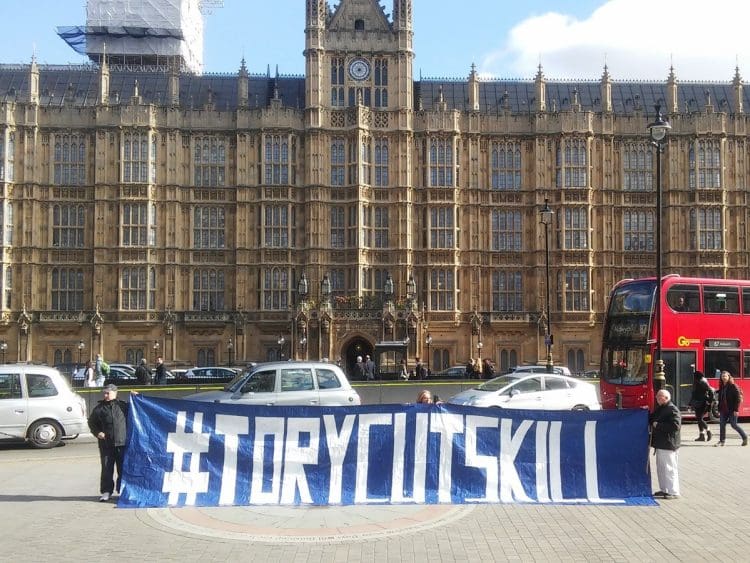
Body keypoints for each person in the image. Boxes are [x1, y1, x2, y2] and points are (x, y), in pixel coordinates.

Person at [87, 384, 129, 502]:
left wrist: (138, 397)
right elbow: (91, 423)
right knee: (106, 468)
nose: (105, 395)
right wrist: (97, 432)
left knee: (123, 469)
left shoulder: (123, 406)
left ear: (115, 393)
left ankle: (122, 491)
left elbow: (137, 410)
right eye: (104, 393)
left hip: (122, 443)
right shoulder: (99, 408)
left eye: (108, 393)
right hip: (106, 445)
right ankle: (106, 491)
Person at [649, 388, 681, 499]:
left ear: (666, 398)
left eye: (659, 396)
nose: (657, 398)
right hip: (661, 444)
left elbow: (675, 426)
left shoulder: (672, 409)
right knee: (661, 468)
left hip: (668, 444)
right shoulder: (661, 408)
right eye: (657, 396)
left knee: (670, 468)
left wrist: (658, 425)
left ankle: (673, 491)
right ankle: (664, 489)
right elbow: (651, 418)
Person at [715, 370, 747, 446]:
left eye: (725, 376)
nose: (724, 378)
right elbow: (721, 397)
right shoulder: (722, 386)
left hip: (732, 410)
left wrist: (736, 409)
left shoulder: (733, 386)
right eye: (722, 376)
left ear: (729, 377)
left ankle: (745, 437)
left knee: (734, 425)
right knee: (722, 425)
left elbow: (738, 398)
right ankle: (722, 441)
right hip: (723, 410)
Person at [689, 370, 713, 441]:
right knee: (699, 419)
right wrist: (690, 403)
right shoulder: (697, 382)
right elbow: (694, 393)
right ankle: (701, 435)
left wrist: (709, 401)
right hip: (697, 402)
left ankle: (708, 431)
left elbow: (710, 391)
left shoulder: (702, 382)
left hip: (702, 402)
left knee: (700, 418)